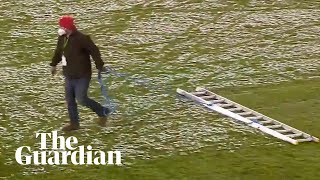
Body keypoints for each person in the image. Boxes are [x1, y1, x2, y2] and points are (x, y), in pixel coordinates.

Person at [50, 15, 110, 131]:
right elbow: (58, 52)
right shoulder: (62, 38)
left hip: (82, 75)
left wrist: (100, 66)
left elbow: (94, 51)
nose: (61, 28)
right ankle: (74, 124)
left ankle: (103, 111)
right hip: (69, 75)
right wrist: (53, 64)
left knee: (81, 99)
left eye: (63, 26)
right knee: (70, 100)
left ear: (68, 27)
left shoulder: (82, 38)